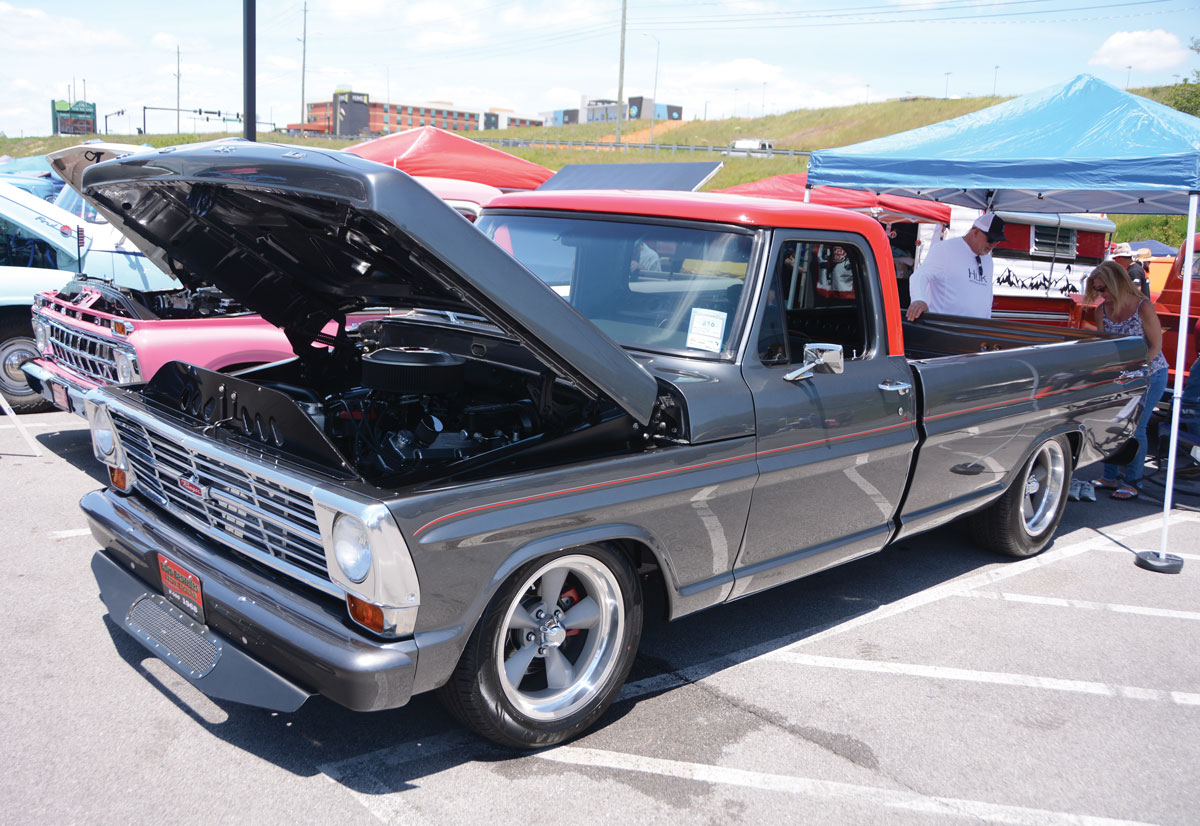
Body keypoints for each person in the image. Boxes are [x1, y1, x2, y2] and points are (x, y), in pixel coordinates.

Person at [1086, 260, 1169, 500]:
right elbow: (1105, 346)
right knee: (1113, 423)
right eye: (1098, 290)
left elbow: (1156, 346)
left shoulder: (1143, 307)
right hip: (1121, 376)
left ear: (1116, 283)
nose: (1101, 294)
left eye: (1103, 289)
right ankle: (1110, 477)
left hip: (1151, 373)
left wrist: (1136, 370)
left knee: (1136, 427)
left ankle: (1133, 481)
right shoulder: (1101, 310)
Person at [906, 213, 1007, 320]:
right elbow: (920, 275)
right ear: (976, 232)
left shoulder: (988, 260)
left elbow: (987, 297)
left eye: (997, 241)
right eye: (990, 239)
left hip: (975, 331)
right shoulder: (945, 249)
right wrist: (919, 299)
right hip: (944, 328)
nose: (993, 245)